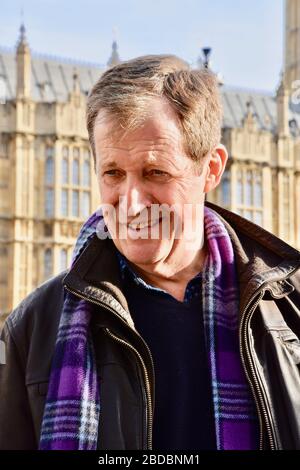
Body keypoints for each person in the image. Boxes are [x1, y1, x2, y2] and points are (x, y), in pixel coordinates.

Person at [0, 55, 300, 451]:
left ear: (211, 169)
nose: (133, 204)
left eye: (156, 172)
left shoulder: (290, 310)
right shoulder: (32, 329)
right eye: (113, 173)